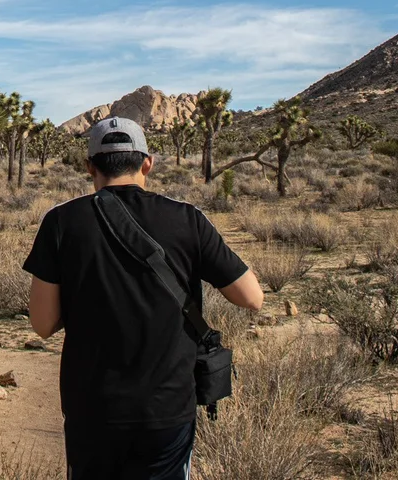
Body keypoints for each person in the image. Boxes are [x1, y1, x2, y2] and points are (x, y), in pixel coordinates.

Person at [23, 116, 264, 480]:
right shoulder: (188, 220)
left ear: (89, 167)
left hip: (92, 409)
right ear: (147, 163)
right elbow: (251, 297)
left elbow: (42, 325)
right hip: (166, 408)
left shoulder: (61, 223)